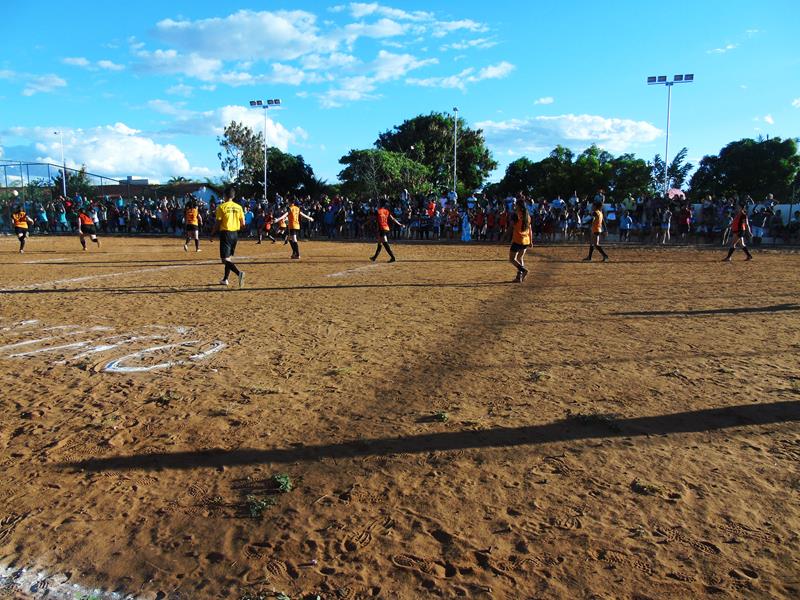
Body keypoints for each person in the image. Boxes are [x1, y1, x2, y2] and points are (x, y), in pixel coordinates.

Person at [210, 186, 246, 287]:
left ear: (224, 195)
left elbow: (218, 222)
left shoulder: (221, 207)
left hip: (225, 233)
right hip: (235, 234)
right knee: (228, 258)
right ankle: (225, 279)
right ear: (233, 196)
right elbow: (243, 223)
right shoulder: (239, 207)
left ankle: (239, 274)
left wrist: (212, 233)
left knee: (224, 260)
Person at [509, 198, 532, 282]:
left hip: (518, 240)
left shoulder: (516, 215)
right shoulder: (528, 216)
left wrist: (504, 237)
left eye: (516, 205)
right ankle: (519, 277)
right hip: (526, 240)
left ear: (518, 206)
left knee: (512, 259)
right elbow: (530, 229)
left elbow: (510, 227)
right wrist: (531, 241)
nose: (515, 206)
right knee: (520, 258)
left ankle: (523, 270)